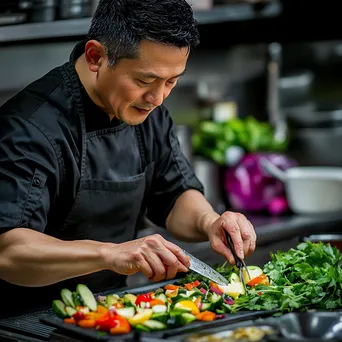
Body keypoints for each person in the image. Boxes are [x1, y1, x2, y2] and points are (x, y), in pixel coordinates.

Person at [0, 0, 256, 313]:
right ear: (96, 57)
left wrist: (209, 222)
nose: (157, 98)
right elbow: (10, 252)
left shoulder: (148, 111)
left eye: (171, 81)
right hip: (25, 321)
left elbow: (174, 194)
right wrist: (111, 255)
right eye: (144, 81)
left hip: (108, 313)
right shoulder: (29, 128)